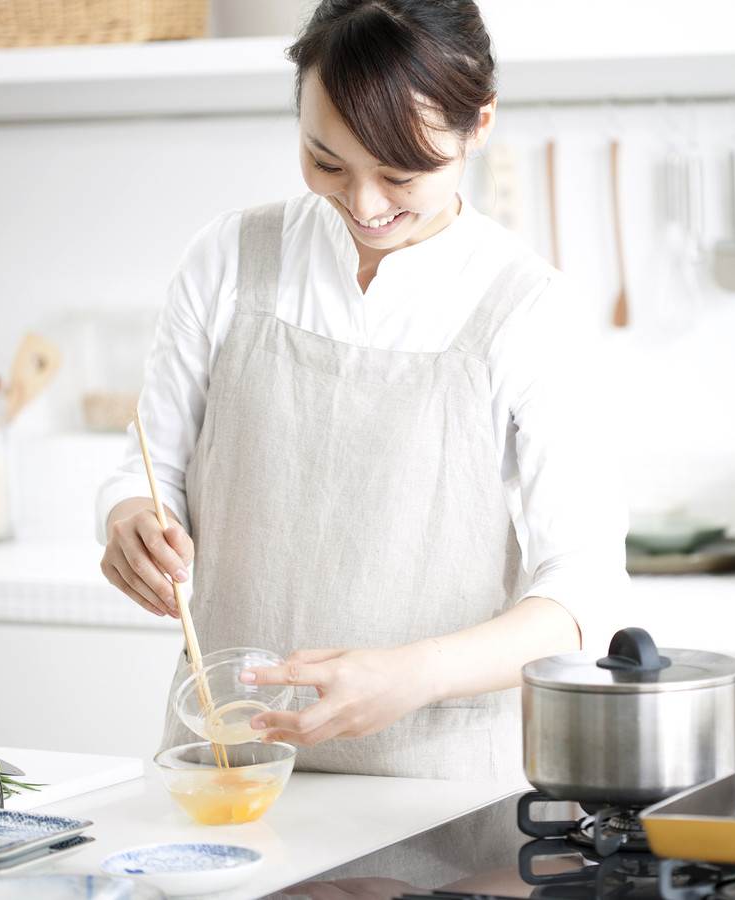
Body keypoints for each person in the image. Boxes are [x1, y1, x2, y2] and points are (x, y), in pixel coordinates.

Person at [96, 0, 628, 782]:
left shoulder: (529, 308)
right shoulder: (230, 258)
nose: (365, 205)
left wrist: (417, 674)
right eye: (327, 161)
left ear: (478, 126)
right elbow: (148, 466)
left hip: (432, 784)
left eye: (402, 174)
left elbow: (584, 596)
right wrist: (131, 518)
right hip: (226, 762)